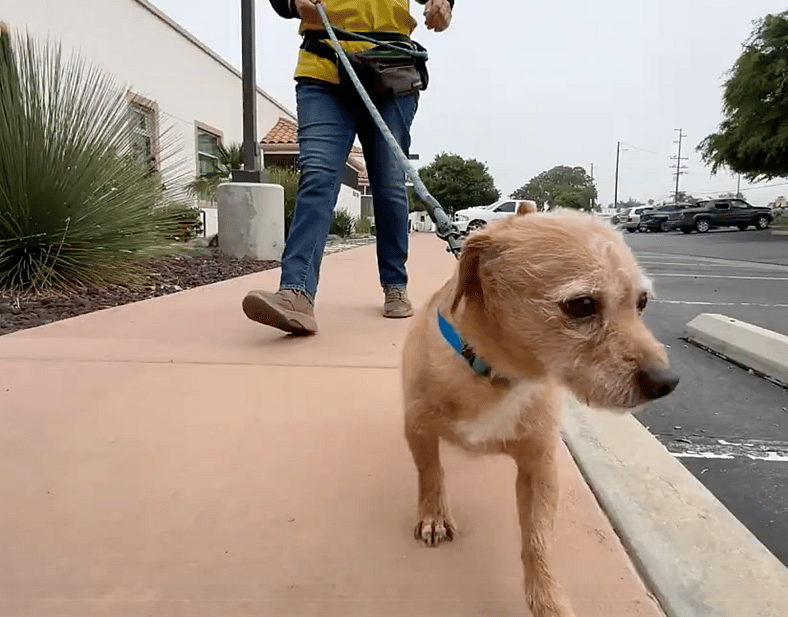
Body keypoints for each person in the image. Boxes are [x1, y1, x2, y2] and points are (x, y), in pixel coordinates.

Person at [242, 0, 454, 335]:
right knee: (318, 177)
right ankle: (295, 292)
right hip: (324, 68)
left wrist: (443, 4)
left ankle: (395, 284)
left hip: (392, 72)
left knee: (389, 185)